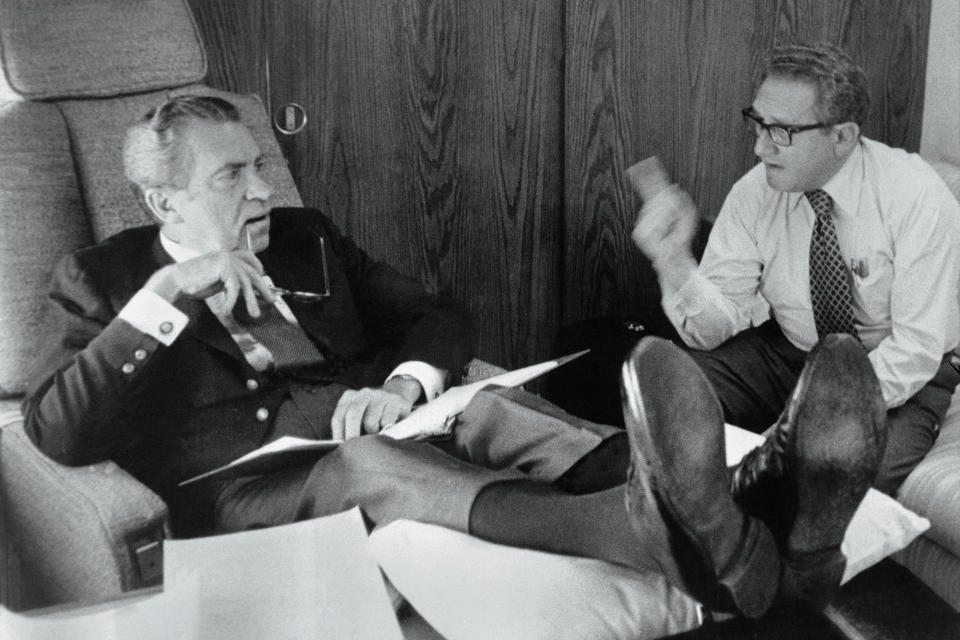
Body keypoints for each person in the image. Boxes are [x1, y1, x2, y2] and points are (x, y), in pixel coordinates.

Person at [24, 94, 881, 619]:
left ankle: (754, 503)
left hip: (388, 427)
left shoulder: (303, 235)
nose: (262, 190)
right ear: (160, 197)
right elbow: (53, 430)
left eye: (258, 166)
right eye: (231, 178)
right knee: (369, 463)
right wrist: (168, 300)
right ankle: (668, 541)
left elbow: (441, 311)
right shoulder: (103, 281)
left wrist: (404, 381)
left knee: (493, 408)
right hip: (245, 489)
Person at [633, 41, 960, 496]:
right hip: (792, 350)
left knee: (847, 480)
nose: (760, 147)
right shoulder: (755, 193)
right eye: (758, 124)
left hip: (894, 368)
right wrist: (672, 259)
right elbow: (712, 331)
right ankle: (694, 542)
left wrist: (802, 422)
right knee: (667, 400)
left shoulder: (916, 198)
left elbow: (916, 349)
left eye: (781, 131)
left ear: (842, 137)